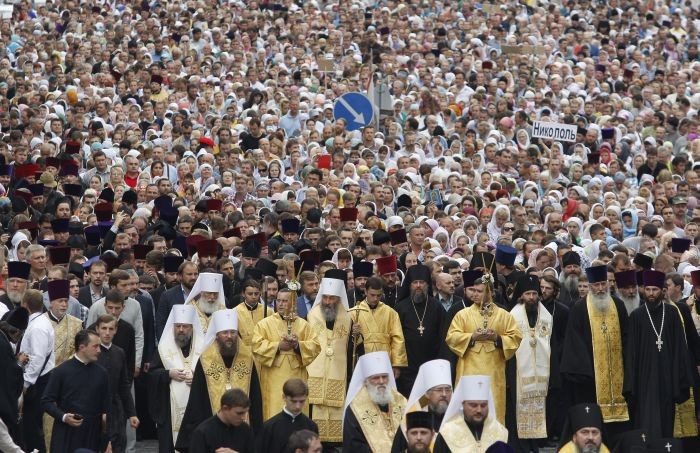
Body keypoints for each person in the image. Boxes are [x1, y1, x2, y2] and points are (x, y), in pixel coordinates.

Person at [560, 265, 630, 440]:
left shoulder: (618, 305)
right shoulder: (579, 308)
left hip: (618, 375)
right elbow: (574, 343)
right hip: (591, 377)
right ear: (590, 286)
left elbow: (627, 338)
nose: (600, 289)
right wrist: (586, 371)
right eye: (596, 285)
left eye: (603, 284)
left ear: (608, 284)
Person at [176, 309, 262, 450]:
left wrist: (257, 428)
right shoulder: (206, 360)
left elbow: (255, 396)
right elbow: (197, 399)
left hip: (242, 430)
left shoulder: (247, 358)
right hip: (212, 428)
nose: (229, 337)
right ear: (217, 336)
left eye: (233, 332)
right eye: (225, 333)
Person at [445, 268, 522, 424]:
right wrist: (472, 337)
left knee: (493, 408)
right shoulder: (462, 314)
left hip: (494, 370)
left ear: (491, 293)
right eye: (473, 290)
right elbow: (451, 337)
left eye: (479, 291)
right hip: (468, 369)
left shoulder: (504, 315)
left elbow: (515, 338)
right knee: (468, 405)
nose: (475, 294)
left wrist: (497, 338)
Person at [623, 270, 693, 438]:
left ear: (662, 291)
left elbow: (679, 346)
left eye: (655, 289)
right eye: (648, 289)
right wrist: (632, 382)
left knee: (666, 415)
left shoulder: (672, 313)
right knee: (645, 416)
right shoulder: (637, 316)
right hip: (644, 377)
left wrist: (679, 376)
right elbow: (631, 352)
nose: (651, 293)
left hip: (667, 374)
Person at [305, 273, 360, 446]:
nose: (328, 302)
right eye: (325, 297)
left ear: (339, 298)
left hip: (338, 373)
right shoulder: (312, 315)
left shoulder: (348, 318)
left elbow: (352, 350)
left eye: (332, 298)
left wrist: (356, 336)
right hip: (315, 374)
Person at [252, 287, 320, 420]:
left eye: (285, 301)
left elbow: (315, 346)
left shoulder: (304, 325)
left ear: (293, 303)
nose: (280, 304)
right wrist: (278, 346)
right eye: (278, 300)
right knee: (274, 412)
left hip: (296, 376)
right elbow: (256, 346)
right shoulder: (264, 324)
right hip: (273, 378)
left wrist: (297, 345)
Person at [41, 329, 110, 452]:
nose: (99, 350)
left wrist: (108, 440)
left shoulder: (102, 373)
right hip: (66, 433)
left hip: (92, 435)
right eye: (95, 346)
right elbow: (46, 401)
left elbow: (107, 409)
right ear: (82, 347)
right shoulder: (61, 371)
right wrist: (63, 417)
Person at [506, 274, 553, 451]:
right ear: (521, 295)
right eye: (528, 294)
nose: (532, 298)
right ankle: (521, 446)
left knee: (539, 407)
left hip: (541, 371)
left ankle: (535, 444)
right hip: (518, 370)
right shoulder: (512, 315)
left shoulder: (546, 315)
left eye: (534, 293)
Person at [149, 304, 204, 452]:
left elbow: (212, 375)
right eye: (178, 326)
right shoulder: (163, 348)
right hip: (169, 409)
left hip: (196, 409)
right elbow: (152, 374)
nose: (181, 330)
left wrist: (198, 379)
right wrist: (168, 374)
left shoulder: (204, 347)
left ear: (192, 328)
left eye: (185, 326)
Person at [41, 279, 83, 449]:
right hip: (45, 382)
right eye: (60, 301)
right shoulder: (40, 322)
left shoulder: (77, 324)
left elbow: (79, 351)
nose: (64, 304)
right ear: (51, 302)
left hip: (69, 383)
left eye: (66, 301)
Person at [342, 351, 407, 452]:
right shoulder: (355, 408)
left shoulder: (401, 401)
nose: (381, 381)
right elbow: (353, 444)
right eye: (376, 378)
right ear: (366, 381)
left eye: (384, 377)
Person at [95, 314, 140, 453]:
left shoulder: (119, 353)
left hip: (116, 408)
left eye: (110, 329)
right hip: (95, 408)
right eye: (104, 328)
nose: (107, 333)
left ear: (115, 330)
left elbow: (124, 386)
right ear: (97, 329)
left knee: (118, 445)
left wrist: (131, 413)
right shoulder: (92, 352)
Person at [395, 266, 443, 396]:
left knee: (429, 401)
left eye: (421, 282)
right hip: (407, 368)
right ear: (409, 285)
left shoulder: (437, 307)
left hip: (432, 365)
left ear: (427, 284)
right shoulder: (400, 307)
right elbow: (395, 337)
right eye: (414, 282)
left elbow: (443, 336)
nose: (418, 286)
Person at [433, 375, 508, 453]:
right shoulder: (448, 433)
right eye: (473, 405)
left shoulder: (500, 433)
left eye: (483, 405)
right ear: (463, 404)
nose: (479, 410)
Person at [19, 288, 54, 453]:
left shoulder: (37, 327)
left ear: (25, 305)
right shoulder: (39, 322)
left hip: (38, 382)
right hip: (38, 380)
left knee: (32, 426)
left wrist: (26, 383)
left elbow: (38, 358)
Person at [392, 359, 452, 452]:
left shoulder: (457, 419)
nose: (444, 394)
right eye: (439, 390)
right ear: (427, 394)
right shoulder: (412, 419)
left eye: (448, 390)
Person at [353, 276, 407, 378]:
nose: (375, 299)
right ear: (366, 291)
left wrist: (396, 364)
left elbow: (398, 339)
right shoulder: (354, 312)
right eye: (372, 295)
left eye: (379, 295)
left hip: (385, 359)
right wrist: (353, 333)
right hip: (363, 358)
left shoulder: (391, 313)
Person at [255, 378, 319, 453]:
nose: (298, 406)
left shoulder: (311, 426)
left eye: (302, 401)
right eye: (293, 401)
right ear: (284, 397)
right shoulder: (269, 427)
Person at [188, 389, 255, 453]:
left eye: (246, 412)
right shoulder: (202, 433)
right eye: (239, 413)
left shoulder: (246, 429)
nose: (244, 417)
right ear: (225, 408)